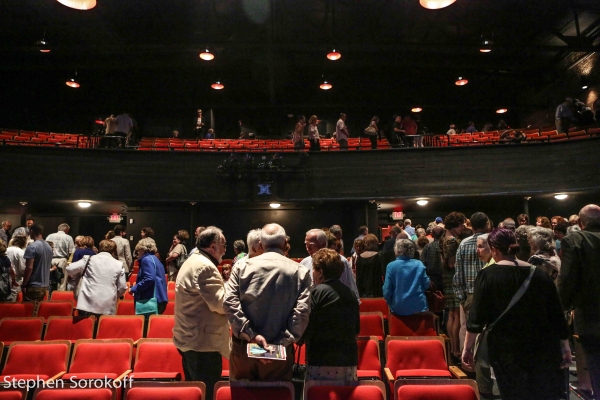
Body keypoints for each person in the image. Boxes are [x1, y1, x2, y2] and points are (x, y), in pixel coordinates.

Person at [462, 228, 571, 400]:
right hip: (541, 344)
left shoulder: (487, 275)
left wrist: (467, 348)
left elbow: (476, 317)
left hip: (506, 346)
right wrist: (565, 346)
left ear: (494, 250)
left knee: (512, 392)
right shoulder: (539, 274)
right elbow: (556, 314)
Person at [223, 223, 311, 382]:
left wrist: (251, 335)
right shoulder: (300, 271)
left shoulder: (241, 267)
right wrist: (276, 347)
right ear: (285, 242)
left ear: (261, 244)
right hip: (280, 354)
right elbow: (301, 313)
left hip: (244, 349)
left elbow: (229, 303)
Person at [173, 226, 229, 400]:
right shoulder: (205, 267)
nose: (225, 250)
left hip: (191, 339)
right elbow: (220, 304)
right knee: (206, 392)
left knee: (195, 390)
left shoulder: (193, 260)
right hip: (203, 345)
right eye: (224, 245)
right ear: (213, 246)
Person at [558, 204, 600, 398]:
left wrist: (561, 307)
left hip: (591, 315)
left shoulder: (575, 240)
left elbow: (567, 279)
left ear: (581, 223)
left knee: (596, 366)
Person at [300, 248, 359, 381]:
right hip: (348, 359)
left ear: (320, 272)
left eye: (313, 270)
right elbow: (356, 329)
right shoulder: (350, 293)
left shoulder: (316, 292)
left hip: (321, 358)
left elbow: (308, 325)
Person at [66, 240, 127, 316]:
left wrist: (78, 276)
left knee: (86, 326)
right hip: (107, 303)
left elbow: (69, 269)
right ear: (114, 251)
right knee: (103, 327)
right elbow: (122, 287)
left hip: (87, 302)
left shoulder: (88, 259)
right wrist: (114, 295)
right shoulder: (118, 264)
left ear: (99, 248)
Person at [300, 229, 360, 301]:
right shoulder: (304, 263)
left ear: (323, 244)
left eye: (312, 246)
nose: (308, 249)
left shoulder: (340, 261)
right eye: (306, 245)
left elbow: (350, 288)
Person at [440, 211, 467, 361]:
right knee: (455, 313)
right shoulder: (452, 241)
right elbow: (451, 263)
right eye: (461, 224)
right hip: (452, 278)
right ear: (454, 225)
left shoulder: (444, 238)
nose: (463, 227)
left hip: (447, 278)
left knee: (452, 313)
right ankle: (456, 349)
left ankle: (453, 348)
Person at [383, 239, 430, 316]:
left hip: (398, 308)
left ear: (397, 250)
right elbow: (426, 284)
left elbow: (387, 291)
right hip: (419, 306)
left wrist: (390, 302)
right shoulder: (419, 264)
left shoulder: (391, 266)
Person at [130, 238, 168, 316]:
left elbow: (149, 279)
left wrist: (135, 288)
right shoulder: (155, 259)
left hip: (151, 299)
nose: (138, 253)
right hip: (159, 298)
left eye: (138, 250)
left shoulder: (146, 260)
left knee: (146, 325)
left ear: (143, 250)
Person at [22, 223, 52, 302]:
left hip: (33, 285)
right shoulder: (49, 247)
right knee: (38, 312)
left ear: (31, 231)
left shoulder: (32, 247)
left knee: (29, 312)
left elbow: (29, 267)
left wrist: (24, 284)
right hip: (45, 285)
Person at [45, 223, 74, 291]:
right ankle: (59, 298)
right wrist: (69, 261)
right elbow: (71, 251)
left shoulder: (49, 236)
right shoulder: (68, 237)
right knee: (61, 281)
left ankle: (48, 297)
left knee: (49, 280)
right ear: (66, 230)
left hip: (50, 259)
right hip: (62, 260)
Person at [355, 233, 382, 297]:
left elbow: (358, 277)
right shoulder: (378, 256)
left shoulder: (359, 257)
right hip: (375, 290)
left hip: (362, 291)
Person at [6, 234, 27, 302]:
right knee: (13, 299)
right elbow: (22, 269)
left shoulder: (6, 250)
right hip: (16, 280)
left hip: (4, 278)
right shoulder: (21, 252)